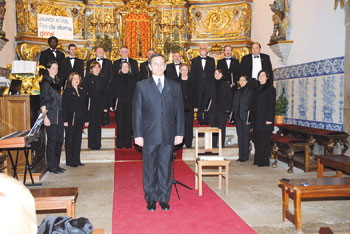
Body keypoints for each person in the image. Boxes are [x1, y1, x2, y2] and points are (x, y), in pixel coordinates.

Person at [132, 53, 184, 211]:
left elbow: (179, 112)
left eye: (162, 63)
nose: (159, 66)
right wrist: (138, 134)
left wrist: (179, 133)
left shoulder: (174, 86)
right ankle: (150, 198)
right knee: (149, 168)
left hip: (168, 134)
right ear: (149, 66)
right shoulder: (141, 86)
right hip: (149, 134)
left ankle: (163, 198)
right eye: (155, 63)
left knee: (165, 168)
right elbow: (137, 112)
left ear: (165, 66)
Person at [40, 60, 65, 174]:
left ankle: (57, 164)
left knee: (59, 140)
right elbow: (43, 101)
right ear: (48, 69)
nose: (55, 70)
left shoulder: (58, 81)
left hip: (59, 112)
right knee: (52, 140)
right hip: (50, 113)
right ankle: (51, 166)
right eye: (53, 68)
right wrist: (45, 117)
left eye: (57, 68)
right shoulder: (45, 82)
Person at [63, 72, 89, 167]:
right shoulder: (67, 91)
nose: (76, 80)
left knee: (78, 140)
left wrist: (86, 119)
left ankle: (77, 160)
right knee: (70, 140)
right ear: (71, 80)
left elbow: (84, 106)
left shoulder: (82, 91)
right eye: (74, 78)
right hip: (70, 119)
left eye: (78, 78)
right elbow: (65, 106)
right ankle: (70, 161)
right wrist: (65, 120)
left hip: (80, 119)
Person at [251, 70, 276, 167]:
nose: (261, 77)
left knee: (264, 141)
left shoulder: (270, 89)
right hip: (257, 118)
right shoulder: (256, 88)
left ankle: (264, 161)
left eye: (263, 75)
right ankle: (257, 160)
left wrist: (269, 119)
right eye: (259, 75)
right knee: (257, 140)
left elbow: (271, 105)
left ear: (267, 77)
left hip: (266, 119)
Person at [109, 61, 136, 149]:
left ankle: (128, 143)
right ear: (120, 68)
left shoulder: (133, 78)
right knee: (120, 123)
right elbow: (112, 91)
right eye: (123, 66)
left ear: (129, 68)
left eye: (126, 67)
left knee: (128, 123)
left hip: (130, 104)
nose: (125, 68)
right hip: (119, 104)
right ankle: (120, 143)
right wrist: (111, 104)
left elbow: (136, 92)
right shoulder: (116, 78)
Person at [202, 69, 232, 148]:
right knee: (213, 128)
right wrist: (206, 108)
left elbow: (229, 97)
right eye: (215, 73)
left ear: (222, 75)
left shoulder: (226, 85)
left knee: (222, 128)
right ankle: (214, 145)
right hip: (212, 109)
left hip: (222, 110)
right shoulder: (209, 84)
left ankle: (221, 145)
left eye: (219, 73)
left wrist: (227, 109)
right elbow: (206, 97)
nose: (217, 75)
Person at [84, 61, 108, 150]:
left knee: (98, 125)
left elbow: (105, 93)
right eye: (95, 67)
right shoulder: (87, 79)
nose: (97, 69)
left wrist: (105, 106)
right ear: (91, 69)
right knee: (91, 124)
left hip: (100, 104)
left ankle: (97, 144)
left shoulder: (103, 79)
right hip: (91, 104)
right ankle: (91, 144)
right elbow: (85, 94)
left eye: (98, 67)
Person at [191, 45, 215, 124]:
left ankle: (207, 120)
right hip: (198, 86)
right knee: (199, 102)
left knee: (207, 102)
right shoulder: (194, 60)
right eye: (201, 48)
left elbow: (212, 74)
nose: (203, 50)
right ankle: (199, 119)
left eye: (204, 48)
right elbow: (193, 74)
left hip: (208, 86)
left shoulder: (212, 60)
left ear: (207, 50)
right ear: (199, 50)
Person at [231, 75, 253, 162]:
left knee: (245, 136)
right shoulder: (237, 92)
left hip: (246, 117)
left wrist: (249, 118)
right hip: (238, 117)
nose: (242, 81)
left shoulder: (249, 91)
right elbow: (234, 106)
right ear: (239, 82)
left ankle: (245, 156)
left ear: (247, 81)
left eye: (244, 80)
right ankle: (241, 156)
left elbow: (251, 106)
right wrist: (233, 117)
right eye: (240, 80)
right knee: (240, 136)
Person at [179, 63, 197, 148]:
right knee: (180, 124)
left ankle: (189, 142)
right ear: (180, 71)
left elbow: (196, 93)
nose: (184, 71)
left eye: (186, 69)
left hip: (190, 105)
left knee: (189, 124)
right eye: (183, 69)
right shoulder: (176, 81)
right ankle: (181, 142)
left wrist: (196, 106)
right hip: (179, 106)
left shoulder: (193, 80)